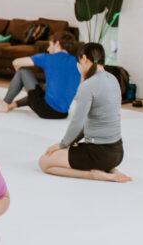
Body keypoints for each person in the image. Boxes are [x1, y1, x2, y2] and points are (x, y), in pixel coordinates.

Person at [38, 43, 129, 183]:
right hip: (117, 153)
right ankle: (110, 169)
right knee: (61, 154)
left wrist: (62, 145)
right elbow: (85, 126)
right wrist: (69, 143)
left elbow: (77, 122)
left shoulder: (88, 85)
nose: (78, 68)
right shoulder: (113, 79)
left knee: (44, 162)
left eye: (78, 63)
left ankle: (94, 174)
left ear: (84, 59)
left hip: (98, 154)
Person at [0, 30, 79, 118]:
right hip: (63, 113)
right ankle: (13, 104)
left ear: (57, 44)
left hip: (45, 111)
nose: (48, 49)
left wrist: (20, 80)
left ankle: (4, 104)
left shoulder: (48, 58)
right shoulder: (77, 63)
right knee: (42, 88)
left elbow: (16, 62)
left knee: (22, 72)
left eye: (50, 45)